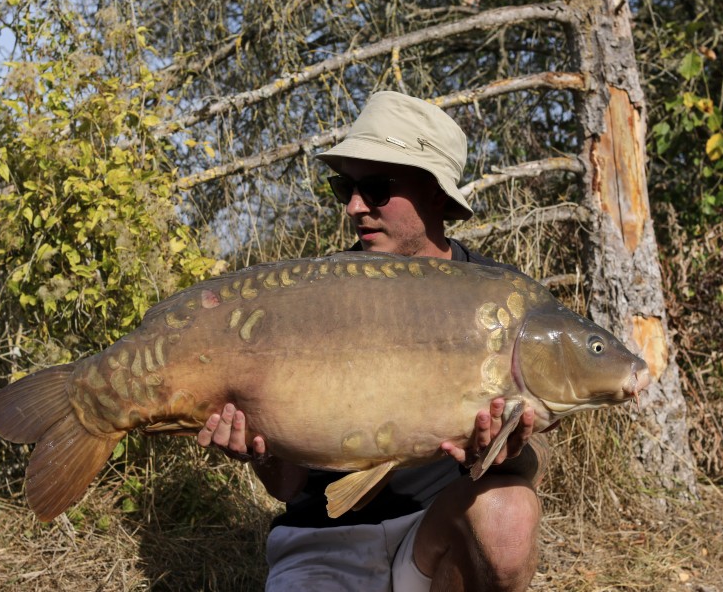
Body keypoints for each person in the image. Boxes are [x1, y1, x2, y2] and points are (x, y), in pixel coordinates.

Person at [197, 91, 550, 591]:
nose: (355, 207)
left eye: (377, 188)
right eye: (346, 188)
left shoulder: (501, 302)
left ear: (436, 195)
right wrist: (258, 450)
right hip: (323, 541)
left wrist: (499, 454)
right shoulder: (317, 297)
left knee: (510, 512)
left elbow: (528, 465)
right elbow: (287, 486)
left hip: (431, 537)